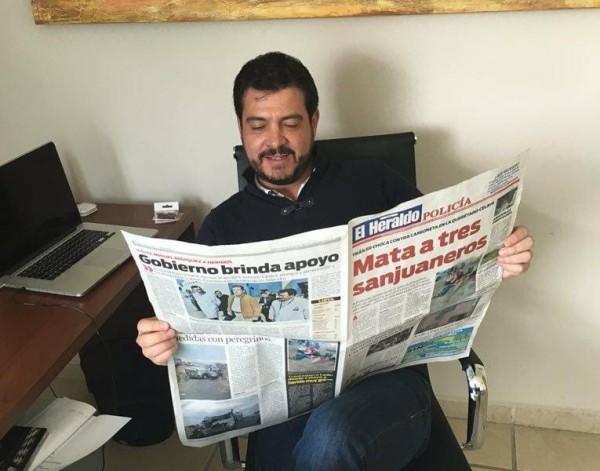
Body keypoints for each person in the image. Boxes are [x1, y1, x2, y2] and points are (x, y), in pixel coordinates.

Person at [136, 52, 534, 470]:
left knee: (333, 436)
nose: (275, 141)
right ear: (241, 128)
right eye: (258, 125)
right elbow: (194, 335)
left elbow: (450, 252)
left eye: (290, 123)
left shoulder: (372, 182)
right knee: (323, 442)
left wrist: (500, 253)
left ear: (314, 121)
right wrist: (163, 343)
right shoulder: (223, 226)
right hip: (283, 408)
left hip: (389, 389)